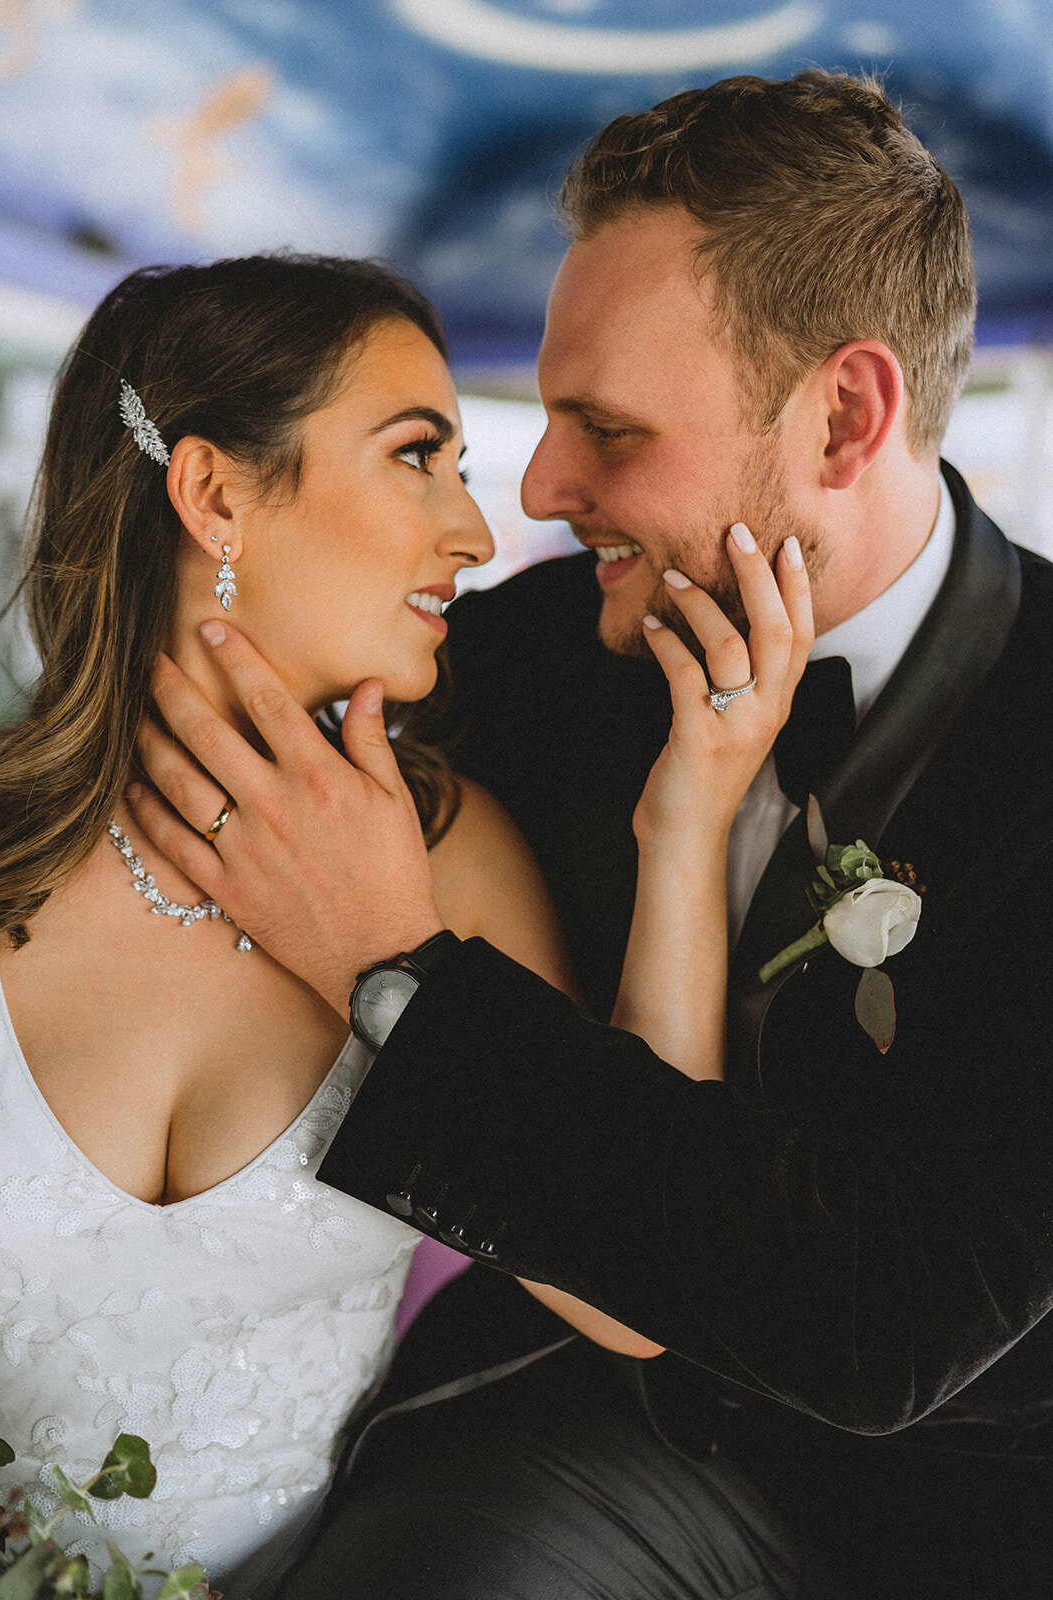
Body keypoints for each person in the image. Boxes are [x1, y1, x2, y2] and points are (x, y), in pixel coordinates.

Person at [128, 72, 1053, 1598]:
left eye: (604, 429)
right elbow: (256, 725)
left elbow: (879, 1321)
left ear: (846, 414)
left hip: (975, 1519)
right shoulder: (548, 653)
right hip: (585, 1447)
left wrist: (389, 964)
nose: (540, 492)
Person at [0, 251, 790, 1593]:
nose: (474, 532)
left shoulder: (446, 859)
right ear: (215, 494)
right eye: (420, 455)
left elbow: (655, 1292)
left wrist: (687, 823)